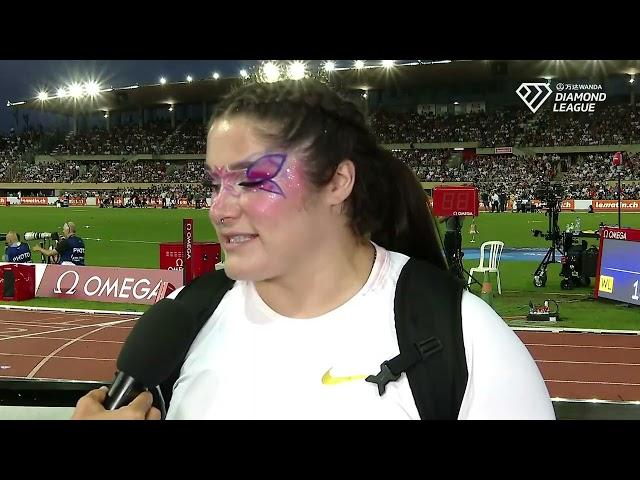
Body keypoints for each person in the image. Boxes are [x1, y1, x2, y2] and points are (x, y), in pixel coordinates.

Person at [72, 79, 554, 420]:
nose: (219, 209)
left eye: (252, 179)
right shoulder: (182, 322)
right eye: (214, 183)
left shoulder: (465, 341)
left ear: (338, 181)